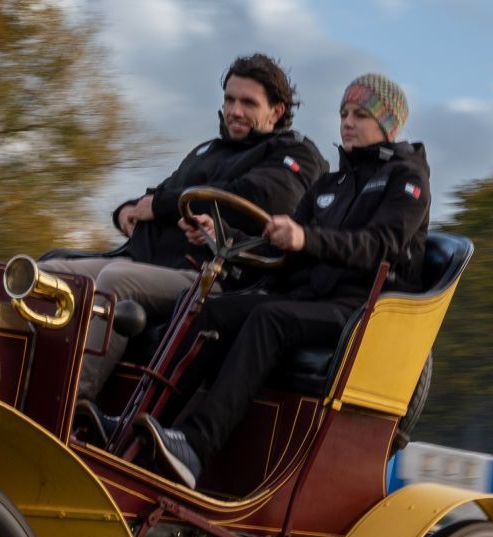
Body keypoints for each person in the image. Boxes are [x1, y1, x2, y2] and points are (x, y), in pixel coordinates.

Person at [141, 73, 428, 489]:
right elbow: (281, 251)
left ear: (391, 126)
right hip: (311, 298)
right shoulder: (331, 184)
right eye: (344, 113)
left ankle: (196, 448)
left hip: (364, 310)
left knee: (269, 320)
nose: (347, 122)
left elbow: (380, 246)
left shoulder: (407, 179)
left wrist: (305, 237)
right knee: (210, 309)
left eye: (360, 115)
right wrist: (223, 236)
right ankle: (145, 425)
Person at [44, 54, 326, 401]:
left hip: (212, 275)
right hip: (144, 258)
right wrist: (127, 211)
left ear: (277, 111)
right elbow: (159, 193)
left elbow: (257, 197)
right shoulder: (207, 151)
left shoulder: (294, 153)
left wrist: (161, 206)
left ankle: (67, 405)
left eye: (248, 103)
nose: (235, 110)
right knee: (47, 274)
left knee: (117, 281)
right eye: (229, 100)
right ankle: (18, 385)